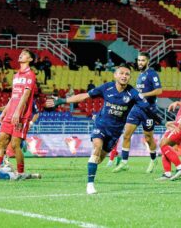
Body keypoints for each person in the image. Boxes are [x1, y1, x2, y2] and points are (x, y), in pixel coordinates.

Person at [46, 64, 160, 194]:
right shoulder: (107, 88)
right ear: (115, 75)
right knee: (97, 147)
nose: (124, 76)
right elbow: (84, 96)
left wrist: (162, 121)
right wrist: (62, 100)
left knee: (98, 159)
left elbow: (147, 109)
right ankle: (90, 185)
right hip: (100, 125)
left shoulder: (133, 93)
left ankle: (91, 165)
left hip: (115, 132)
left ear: (130, 77)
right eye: (121, 73)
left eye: (127, 74)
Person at [0, 49, 36, 180]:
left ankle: (21, 173)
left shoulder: (30, 75)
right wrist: (4, 112)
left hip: (21, 116)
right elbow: (13, 97)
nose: (21, 55)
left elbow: (25, 95)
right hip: (10, 115)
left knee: (15, 145)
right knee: (0, 141)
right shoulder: (15, 76)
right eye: (21, 53)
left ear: (30, 59)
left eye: (25, 54)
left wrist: (17, 112)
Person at [112, 53, 162, 174]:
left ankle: (153, 160)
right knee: (126, 135)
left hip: (148, 110)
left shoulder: (152, 74)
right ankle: (124, 163)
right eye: (139, 60)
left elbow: (159, 90)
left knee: (148, 138)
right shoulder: (140, 75)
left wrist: (144, 95)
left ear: (148, 61)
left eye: (143, 60)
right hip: (136, 109)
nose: (140, 62)